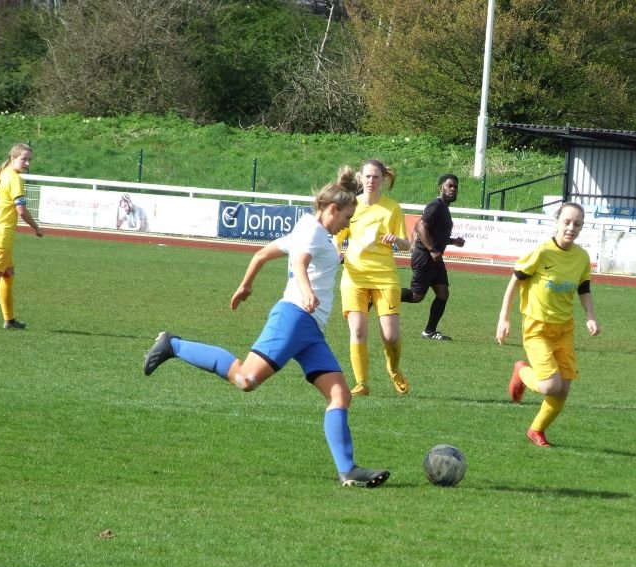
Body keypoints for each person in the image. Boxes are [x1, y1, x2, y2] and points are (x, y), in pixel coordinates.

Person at [142, 166, 389, 488]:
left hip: (311, 329)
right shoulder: (312, 232)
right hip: (294, 317)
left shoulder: (309, 229)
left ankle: (348, 471)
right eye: (346, 217)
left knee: (340, 395)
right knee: (245, 379)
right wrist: (307, 292)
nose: (346, 223)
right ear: (332, 209)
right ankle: (173, 344)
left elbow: (261, 254)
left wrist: (246, 286)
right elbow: (299, 263)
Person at [495, 202, 600, 448]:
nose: (571, 228)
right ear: (556, 222)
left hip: (564, 329)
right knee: (550, 386)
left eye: (577, 224)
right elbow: (515, 282)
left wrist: (590, 316)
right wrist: (504, 317)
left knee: (563, 389)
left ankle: (536, 430)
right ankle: (521, 371)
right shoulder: (541, 253)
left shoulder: (581, 257)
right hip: (537, 328)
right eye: (567, 222)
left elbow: (584, 289)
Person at [335, 159, 411, 397]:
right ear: (360, 178)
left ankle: (394, 368)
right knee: (357, 330)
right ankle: (362, 383)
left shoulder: (392, 208)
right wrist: (338, 249)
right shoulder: (351, 205)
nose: (371, 181)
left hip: (384, 275)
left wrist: (395, 240)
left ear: (383, 179)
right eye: (367, 177)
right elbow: (338, 234)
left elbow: (406, 244)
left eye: (375, 177)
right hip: (354, 275)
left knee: (390, 335)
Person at [0, 143, 44, 329]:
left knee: (7, 274)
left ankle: (10, 320)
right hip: (1, 235)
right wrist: (36, 227)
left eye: (29, 159)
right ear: (13, 158)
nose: (27, 163)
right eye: (24, 159)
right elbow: (21, 210)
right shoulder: (14, 178)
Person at [400, 174, 465, 341]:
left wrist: (453, 241)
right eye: (449, 186)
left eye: (455, 187)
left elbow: (435, 233)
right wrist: (431, 249)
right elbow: (421, 225)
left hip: (435, 259)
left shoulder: (443, 207)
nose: (453, 189)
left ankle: (429, 331)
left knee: (443, 293)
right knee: (416, 296)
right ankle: (382, 294)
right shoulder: (435, 205)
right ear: (440, 187)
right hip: (425, 256)